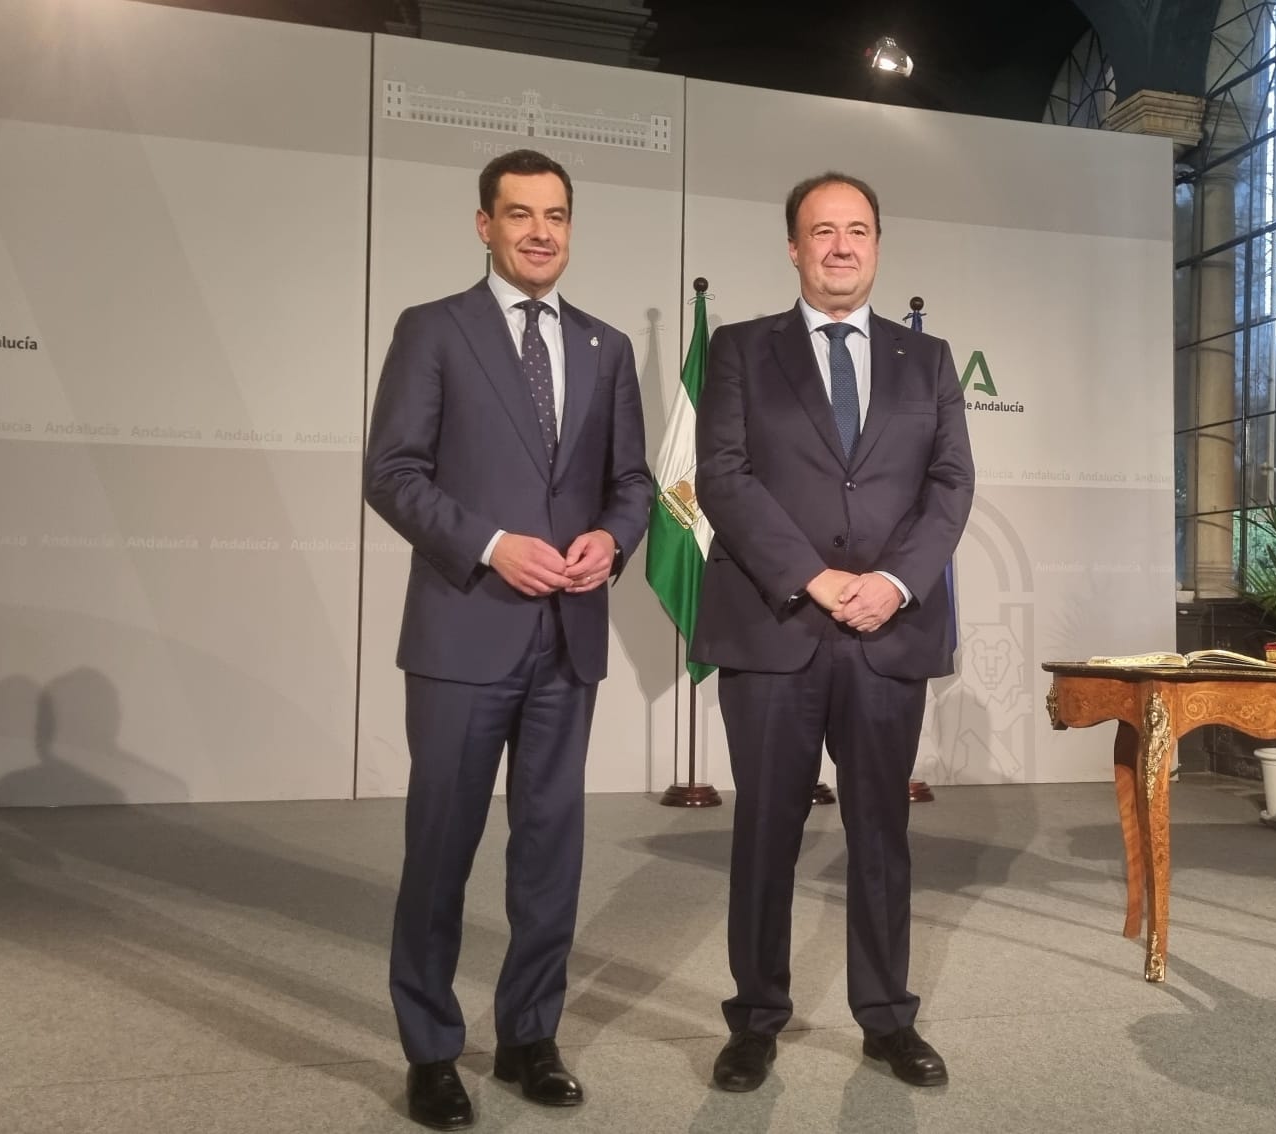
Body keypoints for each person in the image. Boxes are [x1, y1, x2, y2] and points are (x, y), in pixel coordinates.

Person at [364, 148, 652, 1130]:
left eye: (556, 215)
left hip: (567, 636)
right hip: (463, 632)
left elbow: (632, 482)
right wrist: (492, 546)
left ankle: (530, 1035)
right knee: (440, 846)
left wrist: (612, 538)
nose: (540, 231)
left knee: (550, 850)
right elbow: (392, 472)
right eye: (520, 214)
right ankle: (431, 1050)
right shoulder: (433, 329)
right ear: (484, 225)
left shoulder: (607, 346)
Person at [691, 172, 974, 1091]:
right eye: (823, 231)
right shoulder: (740, 350)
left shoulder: (928, 360)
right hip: (776, 624)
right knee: (766, 831)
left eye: (857, 230)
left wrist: (893, 582)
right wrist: (812, 578)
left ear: (877, 245)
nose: (841, 246)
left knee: (881, 832)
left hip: (886, 632)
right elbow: (723, 476)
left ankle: (887, 1019)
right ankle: (754, 1021)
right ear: (793, 247)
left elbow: (950, 485)